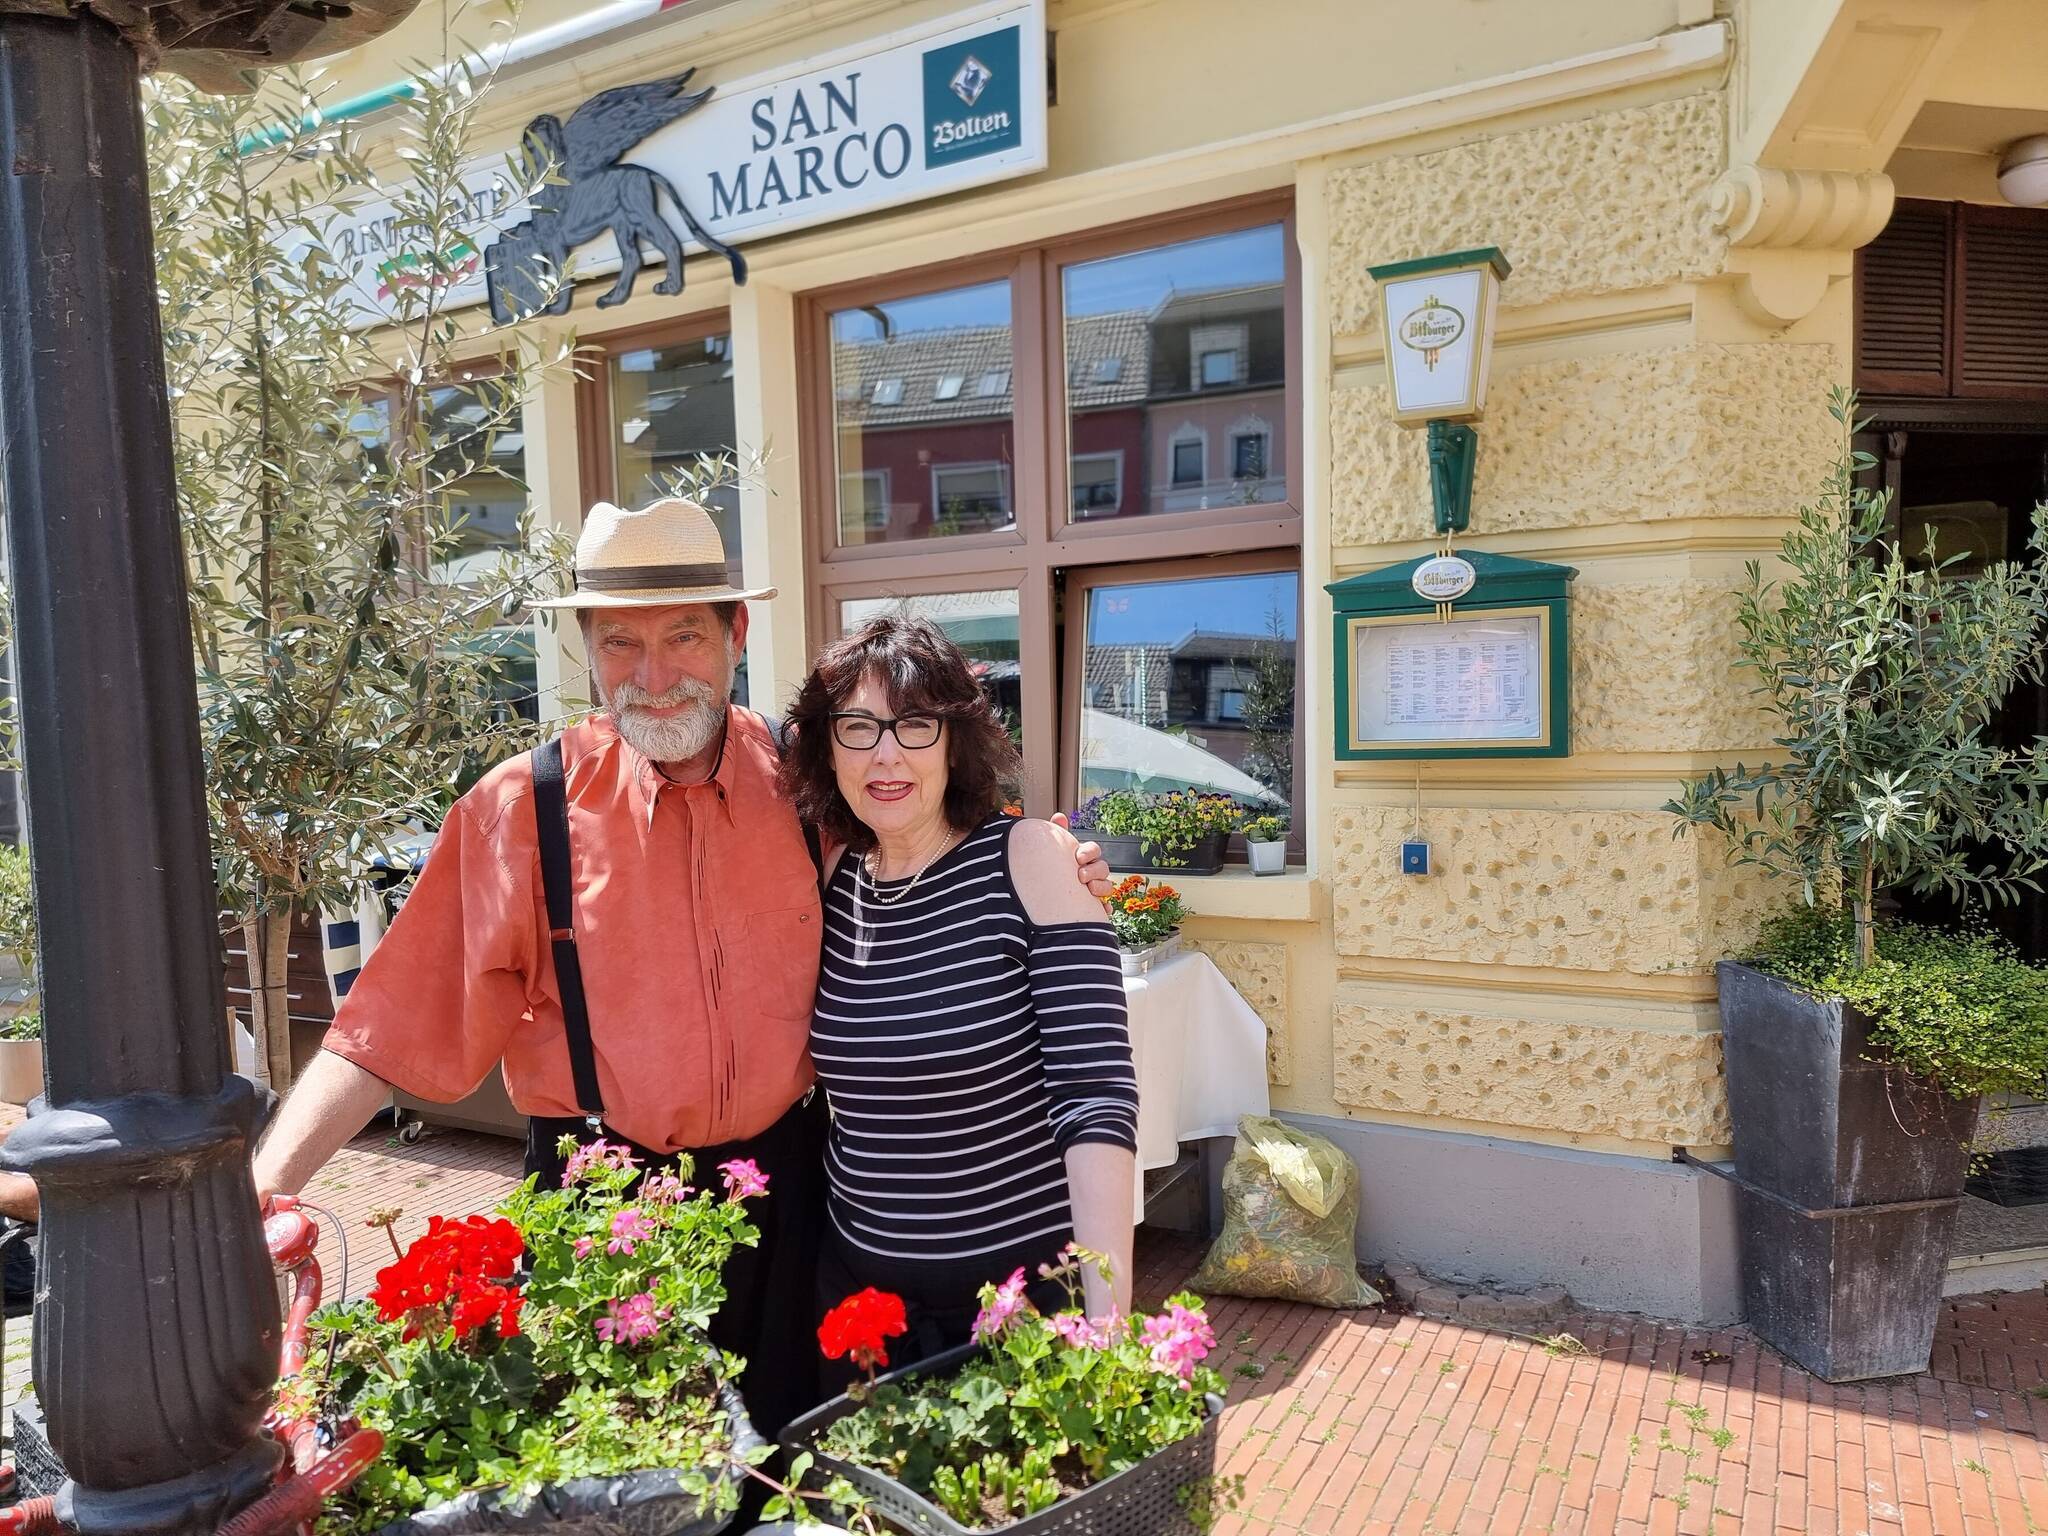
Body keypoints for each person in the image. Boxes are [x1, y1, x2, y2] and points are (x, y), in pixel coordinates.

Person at [249, 499, 1111, 1436]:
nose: (654, 677)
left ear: (736, 634)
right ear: (586, 647)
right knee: (624, 1479)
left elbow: (935, 840)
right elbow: (385, 1031)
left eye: (684, 637)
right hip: (605, 1203)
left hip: (788, 1200)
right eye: (620, 643)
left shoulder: (805, 781)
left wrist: (1054, 863)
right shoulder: (521, 812)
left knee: (787, 1462)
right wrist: (264, 1193)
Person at [779, 617, 1138, 1387]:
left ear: (954, 740)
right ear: (825, 747)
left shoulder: (1029, 859)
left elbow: (1097, 1098)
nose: (886, 753)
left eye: (914, 724)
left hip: (1015, 1315)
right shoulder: (832, 878)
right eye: (857, 727)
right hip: (863, 1311)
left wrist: (1106, 1325)